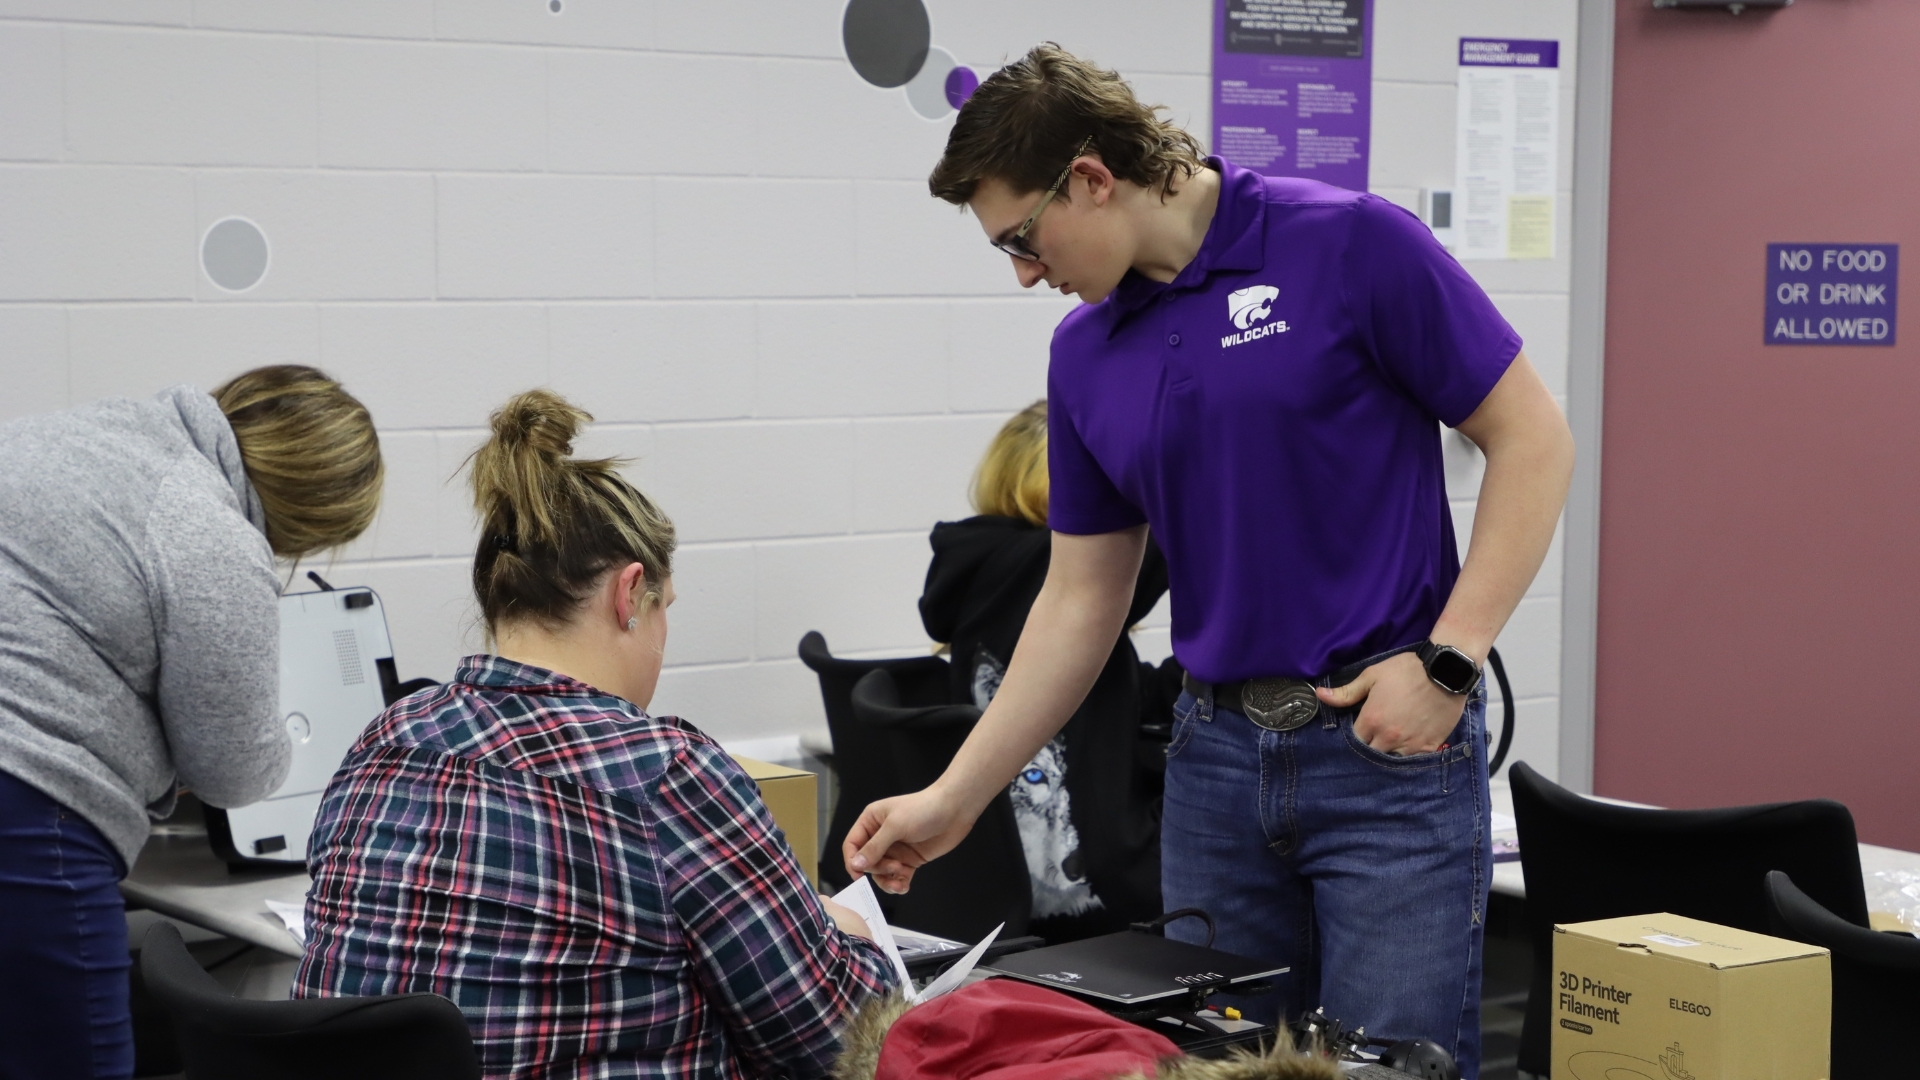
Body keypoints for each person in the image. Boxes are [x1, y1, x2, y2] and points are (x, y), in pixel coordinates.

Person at [845, 45, 1575, 1076]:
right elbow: (1079, 601)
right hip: (1215, 766)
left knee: (1394, 1066)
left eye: (1022, 237)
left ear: (1092, 177)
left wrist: (1451, 662)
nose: (1022, 272)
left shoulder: (1351, 245)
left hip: (1387, 757)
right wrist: (954, 798)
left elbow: (1534, 440)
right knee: (1208, 1069)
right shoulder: (1087, 350)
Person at [294, 389, 897, 1079]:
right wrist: (849, 939)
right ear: (628, 593)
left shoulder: (382, 744)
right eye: (663, 609)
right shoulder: (666, 775)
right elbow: (834, 1046)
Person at [0, 366, 384, 1080]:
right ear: (311, 518)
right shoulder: (210, 536)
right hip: (27, 805)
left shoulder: (96, 433)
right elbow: (232, 770)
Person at [919, 399, 1178, 939]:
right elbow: (1182, 529)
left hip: (1001, 866)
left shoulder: (980, 566)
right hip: (1095, 873)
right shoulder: (1044, 568)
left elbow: (1104, 690)